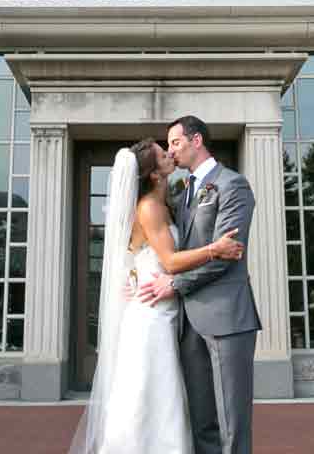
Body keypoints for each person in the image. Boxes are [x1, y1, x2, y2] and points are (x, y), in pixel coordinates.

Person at [68, 137, 246, 454]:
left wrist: (132, 276)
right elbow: (170, 261)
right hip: (151, 316)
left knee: (163, 395)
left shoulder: (168, 203)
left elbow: (139, 256)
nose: (171, 153)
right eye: (165, 153)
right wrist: (214, 249)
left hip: (165, 308)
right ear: (154, 173)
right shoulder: (149, 207)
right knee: (150, 396)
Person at [140, 115, 261, 454]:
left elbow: (227, 255)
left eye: (175, 143)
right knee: (201, 420)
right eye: (167, 147)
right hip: (188, 324)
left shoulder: (232, 185)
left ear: (196, 141)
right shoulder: (181, 194)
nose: (171, 151)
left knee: (232, 422)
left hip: (226, 318)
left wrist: (174, 285)